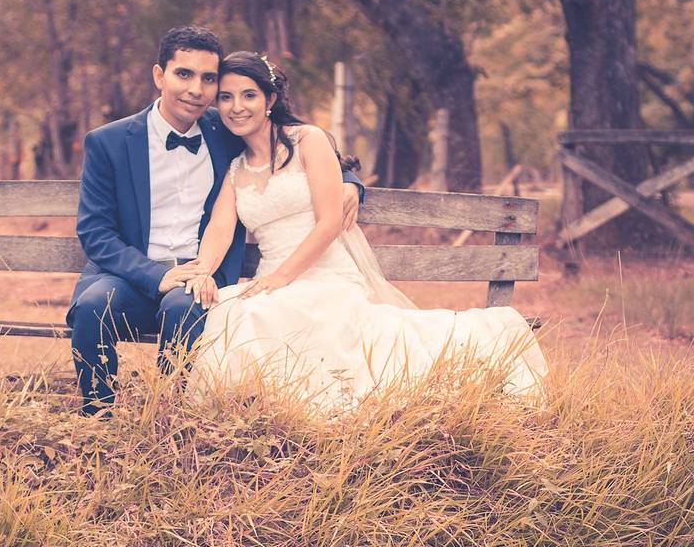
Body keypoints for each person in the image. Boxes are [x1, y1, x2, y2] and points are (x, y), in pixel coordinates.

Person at [184, 51, 548, 408]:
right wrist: (202, 270)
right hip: (273, 282)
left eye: (249, 95)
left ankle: (306, 410)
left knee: (262, 312)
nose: (237, 107)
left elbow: (328, 224)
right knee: (231, 309)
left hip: (324, 275)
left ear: (270, 99)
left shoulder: (307, 140)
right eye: (226, 98)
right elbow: (219, 227)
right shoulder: (236, 169)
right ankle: (250, 414)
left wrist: (281, 278)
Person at [68, 28, 366, 416]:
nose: (197, 89)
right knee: (94, 305)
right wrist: (154, 276)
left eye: (209, 79)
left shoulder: (225, 128)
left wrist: (351, 184)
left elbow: (293, 143)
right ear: (160, 75)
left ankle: (166, 415)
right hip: (128, 275)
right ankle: (98, 414)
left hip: (200, 276)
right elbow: (95, 232)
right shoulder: (108, 142)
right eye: (184, 74)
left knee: (185, 304)